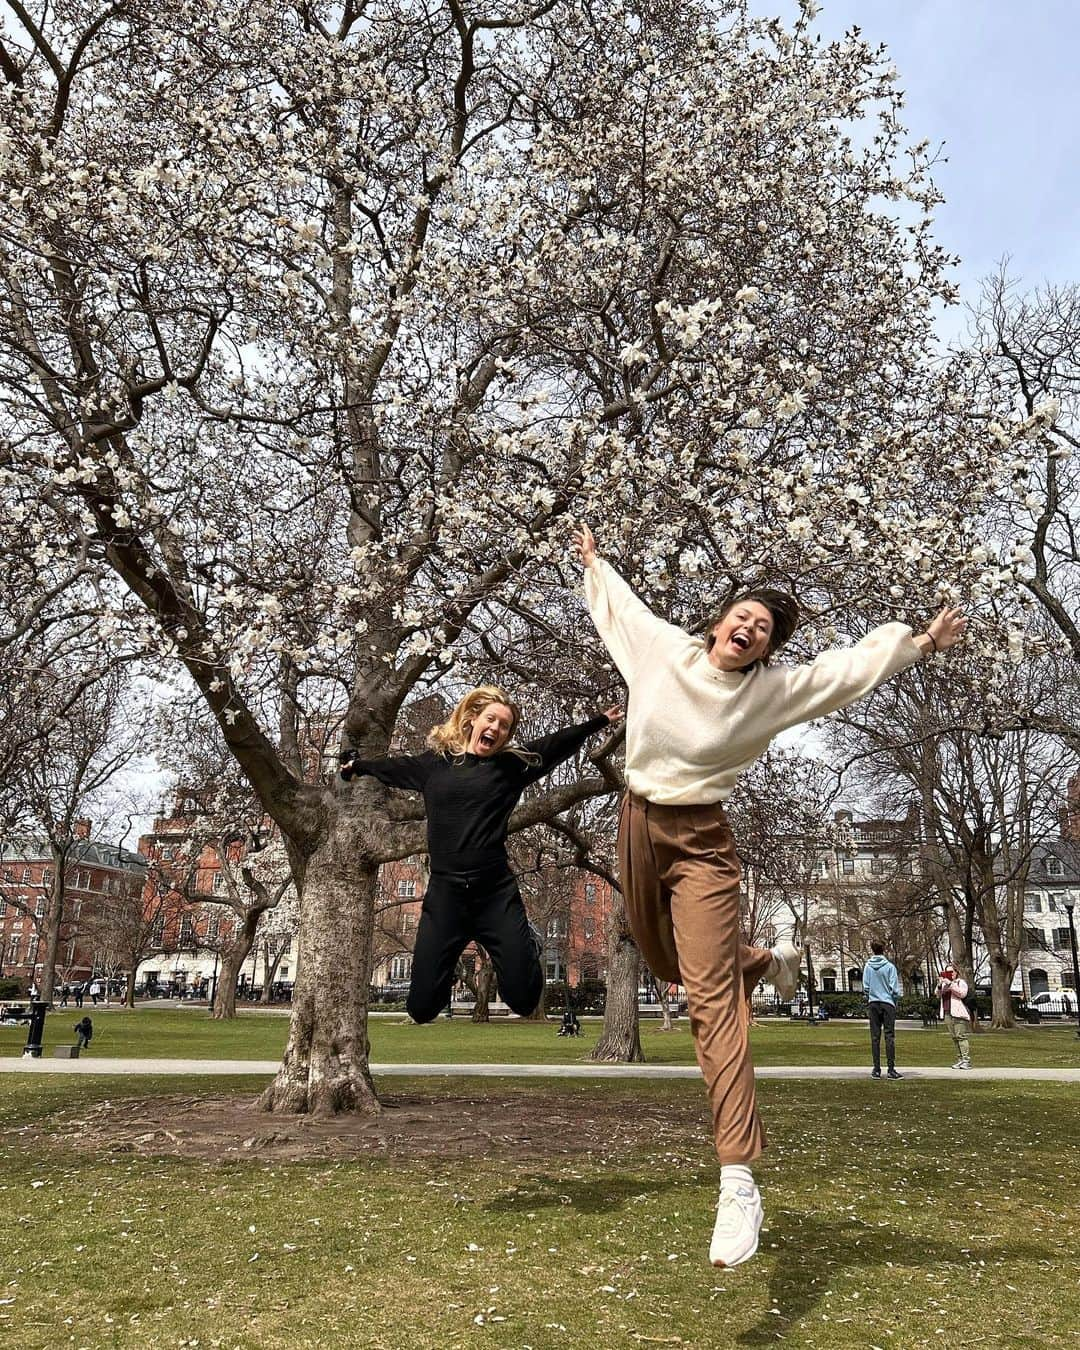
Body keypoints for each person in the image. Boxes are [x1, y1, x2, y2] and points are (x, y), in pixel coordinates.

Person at [573, 522, 966, 1268]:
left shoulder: (774, 694)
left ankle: (738, 1178)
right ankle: (755, 961)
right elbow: (623, 609)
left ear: (764, 649)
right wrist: (596, 564)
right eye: (741, 617)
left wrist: (918, 644)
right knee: (669, 962)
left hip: (702, 845)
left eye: (763, 630)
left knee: (709, 1001)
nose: (748, 630)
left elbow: (846, 670)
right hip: (636, 821)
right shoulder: (665, 653)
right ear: (718, 623)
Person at [340, 686, 621, 1024]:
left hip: (494, 893)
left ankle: (525, 946)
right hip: (446, 895)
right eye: (491, 719)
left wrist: (599, 721)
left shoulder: (511, 766)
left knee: (523, 999)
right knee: (422, 1008)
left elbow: (556, 744)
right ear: (472, 719)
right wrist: (360, 766)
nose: (496, 729)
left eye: (504, 726)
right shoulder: (435, 765)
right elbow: (395, 768)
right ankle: (440, 973)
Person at [863, 942, 903, 1081]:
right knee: (889, 1036)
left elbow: (866, 987)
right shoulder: (890, 967)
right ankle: (891, 1069)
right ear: (883, 950)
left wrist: (870, 996)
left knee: (875, 1037)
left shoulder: (868, 967)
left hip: (873, 1003)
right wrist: (894, 1000)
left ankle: (876, 1069)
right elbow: (894, 989)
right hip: (887, 1003)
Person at [937, 965, 972, 1069]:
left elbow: (962, 994)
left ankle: (966, 1060)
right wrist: (940, 985)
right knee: (954, 1038)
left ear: (956, 972)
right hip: (947, 1013)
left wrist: (950, 984)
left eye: (951, 971)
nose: (950, 974)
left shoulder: (960, 982)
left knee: (961, 1036)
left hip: (958, 1013)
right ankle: (960, 1059)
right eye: (947, 972)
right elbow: (938, 995)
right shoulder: (944, 984)